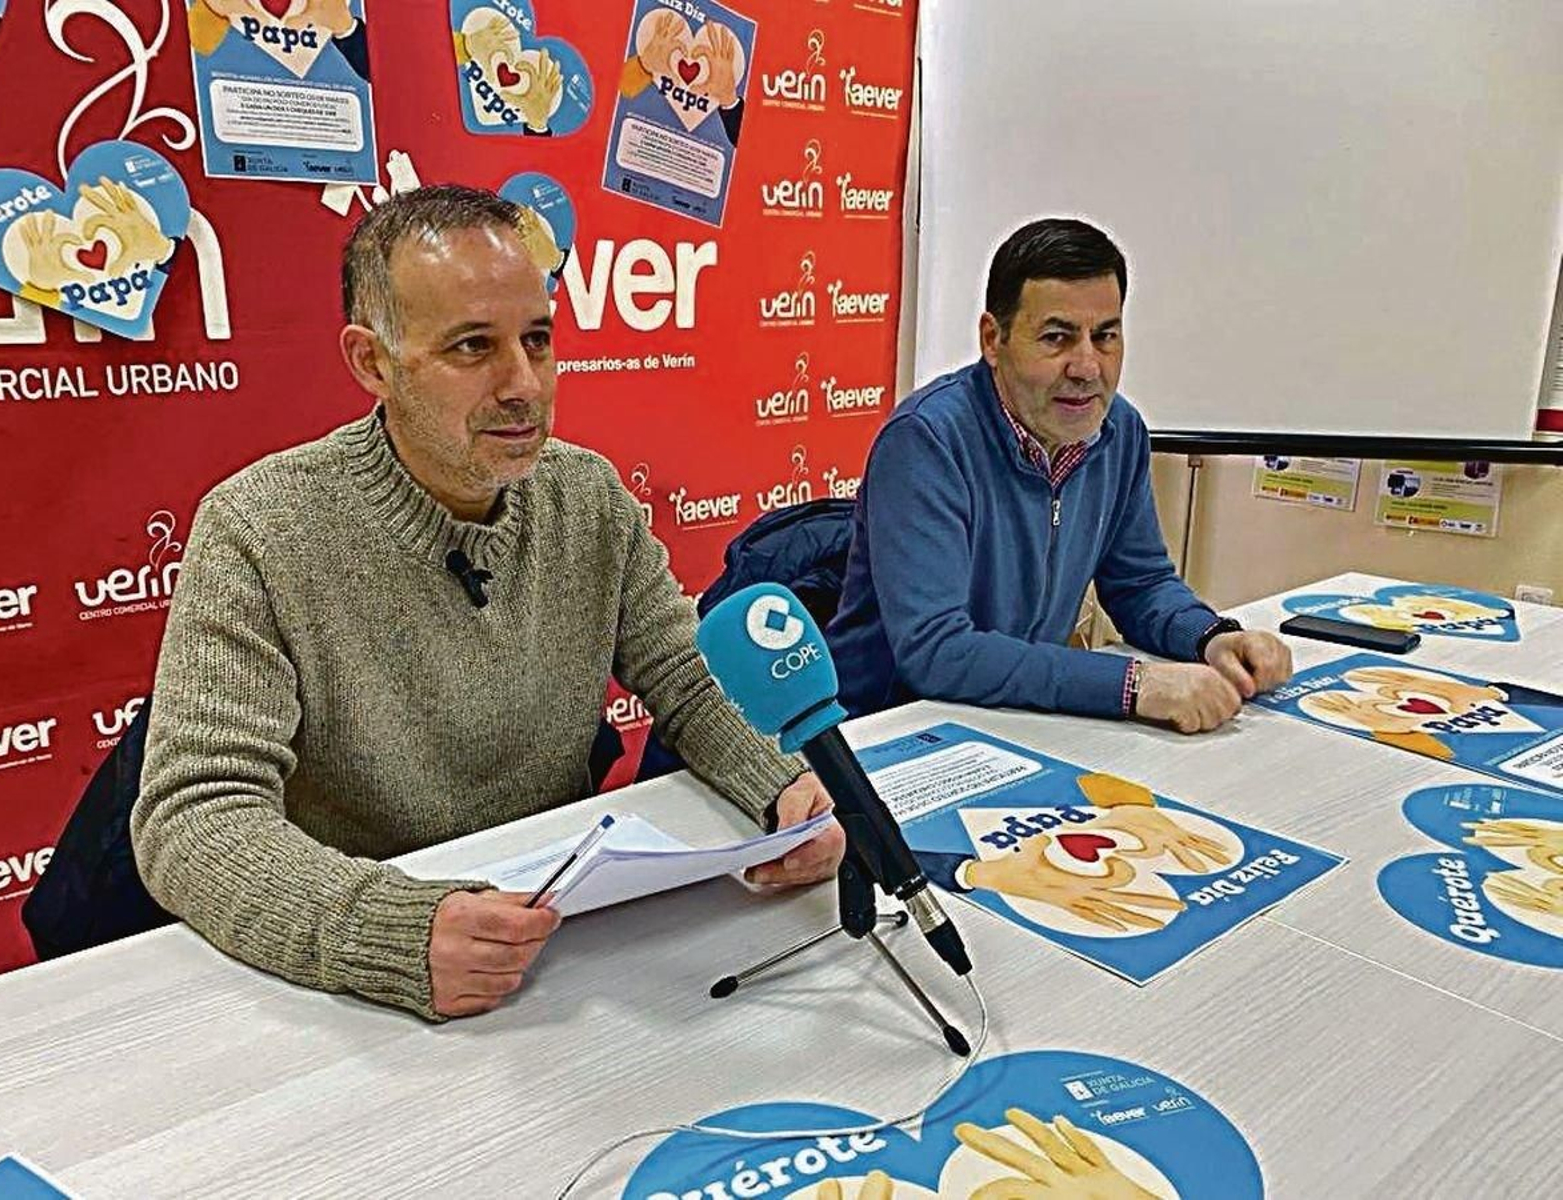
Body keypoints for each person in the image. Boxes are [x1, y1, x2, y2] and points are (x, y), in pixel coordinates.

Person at [133, 185, 843, 1021]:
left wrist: (784, 790)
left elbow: (690, 682)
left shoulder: (588, 496)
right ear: (372, 363)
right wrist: (388, 932)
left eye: (537, 339)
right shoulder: (260, 528)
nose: (525, 385)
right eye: (473, 347)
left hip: (561, 945)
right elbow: (194, 815)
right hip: (371, 994)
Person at [826, 218, 1292, 731]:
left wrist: (1212, 638)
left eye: (1105, 336)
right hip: (892, 730)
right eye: (1056, 338)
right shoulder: (926, 440)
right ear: (993, 339)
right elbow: (937, 651)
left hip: (1017, 719)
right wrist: (1132, 685)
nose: (1087, 367)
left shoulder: (1120, 430)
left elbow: (1140, 584)